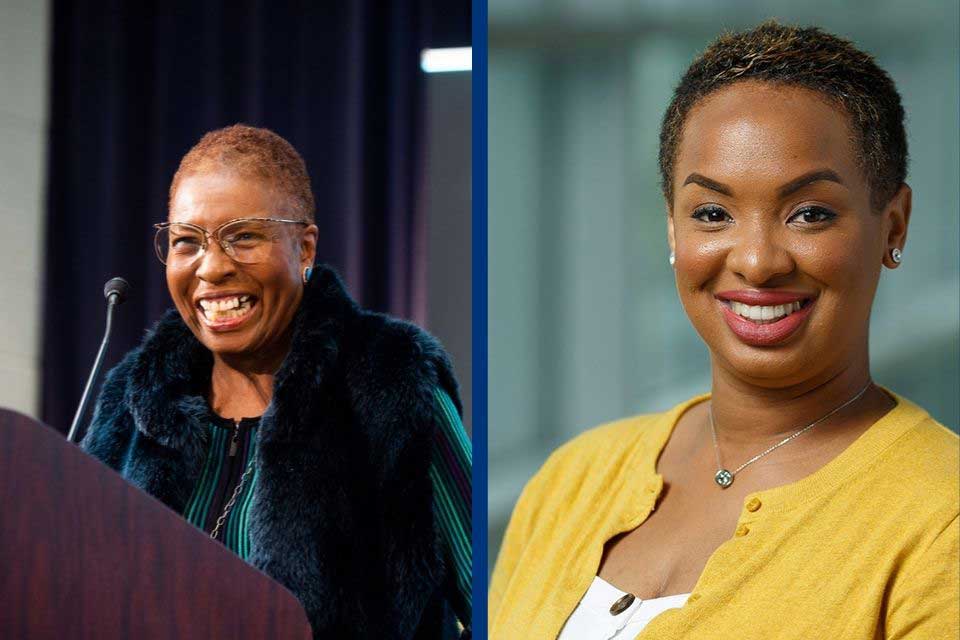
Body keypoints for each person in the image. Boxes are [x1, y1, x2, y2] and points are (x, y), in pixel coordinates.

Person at [489, 21, 958, 640]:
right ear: (672, 231)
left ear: (893, 226)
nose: (759, 261)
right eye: (712, 213)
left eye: (809, 214)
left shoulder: (941, 521)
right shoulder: (573, 475)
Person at [80, 124, 471, 639]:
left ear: (304, 249)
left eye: (243, 236)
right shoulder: (131, 398)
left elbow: (496, 589)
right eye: (186, 242)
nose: (212, 267)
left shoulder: (392, 379)